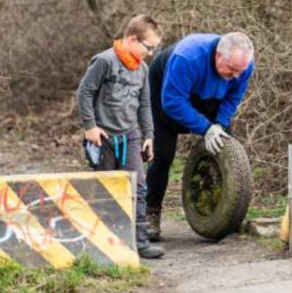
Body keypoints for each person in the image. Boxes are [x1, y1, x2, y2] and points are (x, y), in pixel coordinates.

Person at [145, 32, 255, 240]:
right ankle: (151, 214)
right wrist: (205, 127)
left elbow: (233, 97)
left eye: (240, 71)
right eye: (232, 70)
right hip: (167, 92)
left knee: (226, 148)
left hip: (208, 95)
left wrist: (219, 125)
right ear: (218, 56)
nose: (236, 76)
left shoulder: (242, 66)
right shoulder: (187, 58)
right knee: (163, 156)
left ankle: (227, 217)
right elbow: (172, 102)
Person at [76, 14, 165, 259]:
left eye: (154, 49)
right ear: (132, 39)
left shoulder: (143, 69)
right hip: (103, 137)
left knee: (138, 187)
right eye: (148, 47)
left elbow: (145, 104)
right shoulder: (105, 61)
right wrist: (90, 126)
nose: (150, 53)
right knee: (106, 188)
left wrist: (149, 135)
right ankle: (105, 243)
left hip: (131, 136)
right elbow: (84, 93)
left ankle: (140, 241)